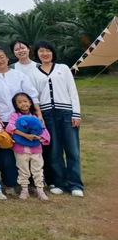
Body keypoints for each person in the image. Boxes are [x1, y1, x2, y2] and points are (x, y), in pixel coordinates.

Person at [0, 45, 41, 195]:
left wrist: (38, 114)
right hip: (2, 120)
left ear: (7, 58)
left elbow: (31, 95)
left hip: (23, 119)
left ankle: (33, 183)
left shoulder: (19, 75)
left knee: (28, 151)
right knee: (6, 154)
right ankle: (10, 184)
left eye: (2, 57)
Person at [35, 40, 84, 197]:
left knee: (72, 150)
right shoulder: (35, 73)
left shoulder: (63, 68)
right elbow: (35, 97)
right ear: (37, 54)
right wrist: (39, 116)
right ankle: (59, 182)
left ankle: (75, 184)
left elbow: (72, 91)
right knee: (54, 150)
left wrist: (76, 114)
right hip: (47, 114)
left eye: (48, 50)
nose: (45, 54)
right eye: (41, 51)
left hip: (66, 113)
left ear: (53, 52)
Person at [6, 92, 50, 200]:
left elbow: (43, 131)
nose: (23, 104)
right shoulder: (15, 117)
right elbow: (10, 128)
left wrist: (39, 137)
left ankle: (40, 189)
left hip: (36, 149)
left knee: (38, 169)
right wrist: (25, 135)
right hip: (21, 149)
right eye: (20, 102)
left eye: (25, 101)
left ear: (30, 103)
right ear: (16, 105)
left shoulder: (35, 118)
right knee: (23, 169)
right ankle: (24, 189)